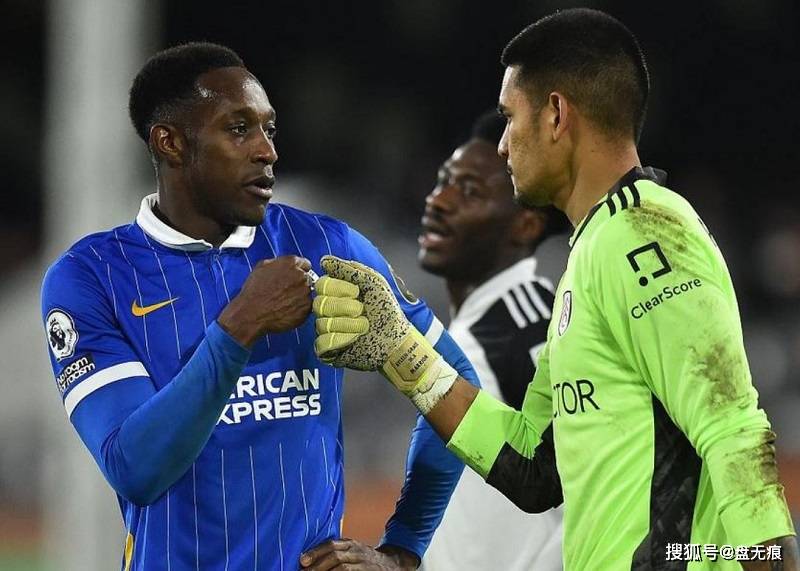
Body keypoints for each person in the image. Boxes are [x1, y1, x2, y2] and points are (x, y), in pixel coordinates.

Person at [312, 9, 799, 570]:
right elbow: (534, 466)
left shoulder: (646, 235)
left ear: (556, 114)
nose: (501, 145)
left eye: (508, 117)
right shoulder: (591, 252)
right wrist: (403, 353)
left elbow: (732, 427)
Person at [40, 42, 479, 571]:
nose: (267, 151)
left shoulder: (327, 247)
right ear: (170, 142)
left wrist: (403, 549)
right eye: (239, 129)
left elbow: (454, 383)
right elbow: (135, 469)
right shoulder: (91, 277)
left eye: (269, 129)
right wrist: (241, 325)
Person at [417, 111, 565, 570]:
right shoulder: (535, 317)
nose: (438, 200)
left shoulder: (501, 340)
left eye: (469, 191)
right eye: (444, 180)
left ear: (526, 226)